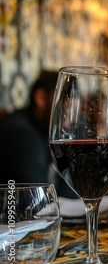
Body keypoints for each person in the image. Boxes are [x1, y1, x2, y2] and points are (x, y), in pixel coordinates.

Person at [0, 70, 76, 198]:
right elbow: (38, 200)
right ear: (41, 98)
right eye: (66, 100)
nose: (72, 119)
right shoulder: (20, 134)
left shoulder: (43, 130)